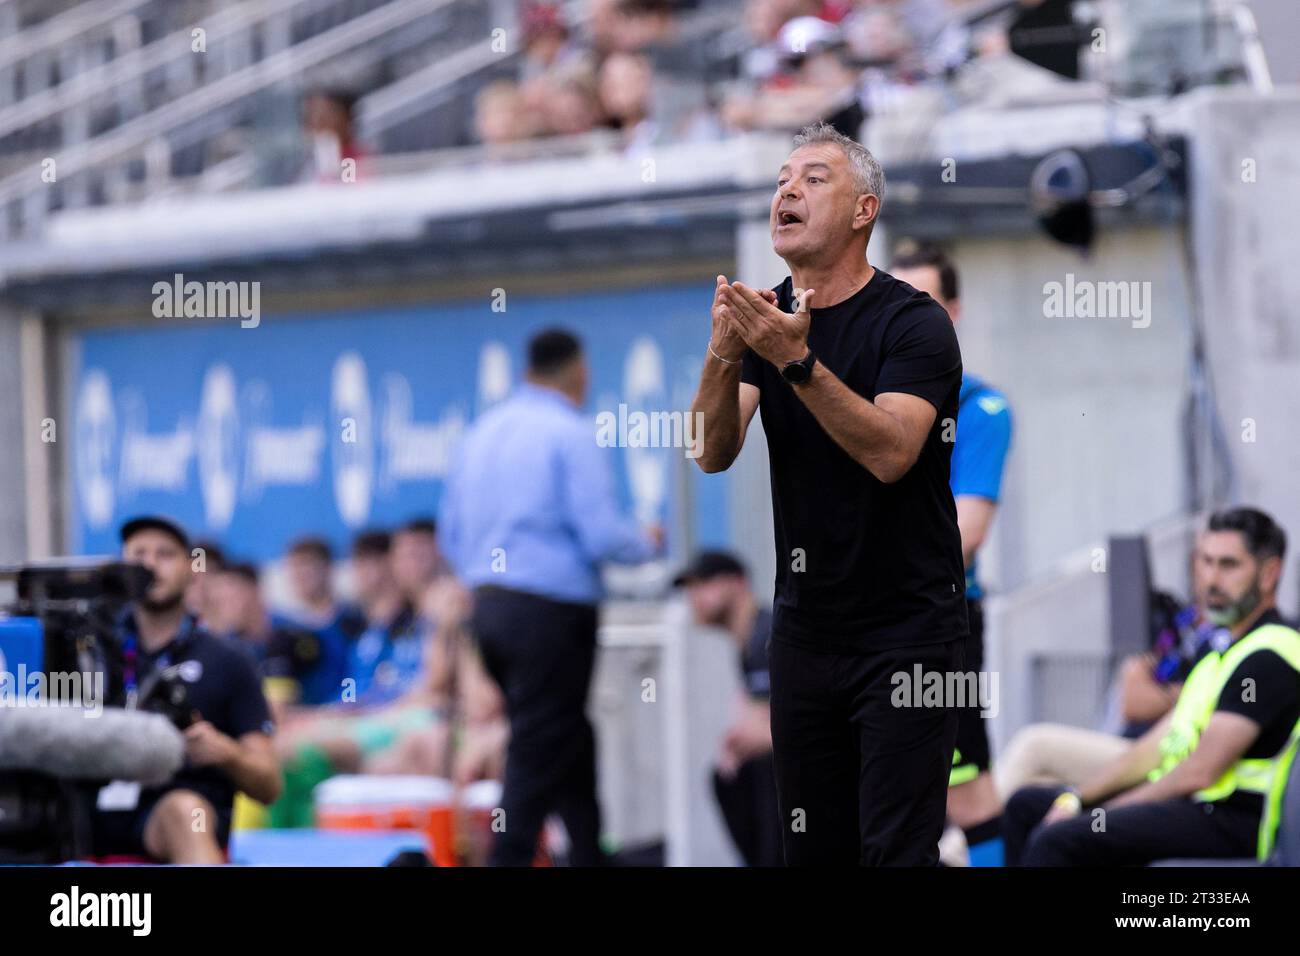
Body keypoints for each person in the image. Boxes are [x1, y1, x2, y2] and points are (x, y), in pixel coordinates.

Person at [689, 121, 967, 866]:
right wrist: (724, 352)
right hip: (808, 634)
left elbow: (892, 453)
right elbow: (710, 451)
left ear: (862, 211)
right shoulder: (763, 319)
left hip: (910, 632)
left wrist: (797, 360)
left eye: (814, 178)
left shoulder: (914, 323)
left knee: (895, 853)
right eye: (783, 178)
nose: (788, 189)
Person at [439, 327, 664, 866]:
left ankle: (588, 854)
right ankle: (508, 860)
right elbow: (602, 536)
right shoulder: (568, 431)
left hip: (489, 609)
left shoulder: (481, 433)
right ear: (578, 372)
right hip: (549, 616)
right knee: (536, 752)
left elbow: (452, 534)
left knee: (567, 739)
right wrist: (650, 541)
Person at [1004, 507, 1300, 866]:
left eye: (1228, 565)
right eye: (1205, 562)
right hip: (1193, 805)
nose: (1211, 579)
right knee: (1028, 806)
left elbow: (1200, 771)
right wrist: (1076, 799)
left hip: (1230, 818)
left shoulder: (1270, 655)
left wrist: (1100, 815)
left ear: (1269, 574)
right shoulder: (1219, 653)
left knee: (1060, 840)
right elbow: (1154, 747)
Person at [892, 240, 1013, 866]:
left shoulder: (981, 410)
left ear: (955, 310)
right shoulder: (867, 400)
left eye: (927, 303)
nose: (912, 318)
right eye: (901, 302)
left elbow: (965, 536)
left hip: (942, 623)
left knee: (966, 793)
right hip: (863, 625)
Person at [92, 516, 280, 863]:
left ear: (193, 568)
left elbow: (269, 784)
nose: (149, 565)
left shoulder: (229, 660)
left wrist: (227, 753)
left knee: (185, 811)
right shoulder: (89, 650)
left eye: (165, 554)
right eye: (139, 554)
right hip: (90, 809)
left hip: (182, 812)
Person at [675, 551, 782, 867]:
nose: (694, 597)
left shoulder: (769, 633)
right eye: (690, 588)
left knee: (763, 770)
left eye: (704, 584)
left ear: (738, 583)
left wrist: (753, 739)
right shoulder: (746, 644)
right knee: (727, 777)